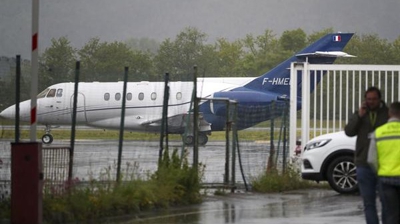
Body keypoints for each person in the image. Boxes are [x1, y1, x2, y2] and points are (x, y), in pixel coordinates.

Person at [344, 86, 389, 224]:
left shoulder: (387, 114)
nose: (371, 102)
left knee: (386, 201)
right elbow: (349, 131)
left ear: (379, 99)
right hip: (363, 163)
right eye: (368, 99)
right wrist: (359, 115)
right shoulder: (360, 114)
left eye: (374, 99)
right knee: (368, 202)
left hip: (383, 164)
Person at [367, 102, 400, 224]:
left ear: (389, 113)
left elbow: (371, 159)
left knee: (391, 214)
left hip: (386, 178)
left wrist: (380, 171)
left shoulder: (379, 132)